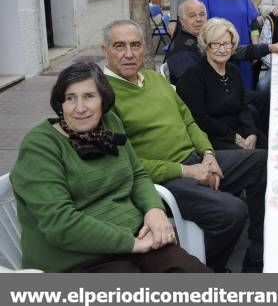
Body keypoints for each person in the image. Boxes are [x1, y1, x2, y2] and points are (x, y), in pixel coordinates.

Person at [102, 20, 267, 272]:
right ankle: (208, 270)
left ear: (144, 48)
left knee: (261, 161)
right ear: (105, 50)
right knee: (233, 212)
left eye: (135, 45)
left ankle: (258, 245)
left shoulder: (155, 79)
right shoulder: (103, 97)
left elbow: (189, 120)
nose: (128, 53)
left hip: (196, 159)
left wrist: (208, 155)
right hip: (164, 180)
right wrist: (188, 171)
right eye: (119, 46)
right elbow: (127, 165)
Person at [10, 62, 207, 273]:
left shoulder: (109, 123)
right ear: (60, 103)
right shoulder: (40, 146)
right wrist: (133, 244)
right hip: (76, 259)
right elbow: (60, 224)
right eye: (70, 98)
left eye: (89, 96)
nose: (80, 108)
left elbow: (137, 173)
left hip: (135, 236)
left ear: (104, 100)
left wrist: (154, 210)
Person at [177, 19, 267, 150]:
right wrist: (234, 137)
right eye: (215, 44)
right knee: (259, 158)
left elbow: (242, 107)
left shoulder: (233, 71)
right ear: (205, 45)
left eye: (226, 44)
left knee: (269, 148)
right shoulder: (193, 76)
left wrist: (251, 133)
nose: (222, 49)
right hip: (211, 138)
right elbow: (200, 119)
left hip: (237, 131)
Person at [166, 0, 278, 85]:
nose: (198, 19)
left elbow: (236, 51)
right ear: (181, 21)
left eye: (202, 14)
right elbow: (192, 85)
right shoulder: (180, 48)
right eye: (192, 15)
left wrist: (270, 48)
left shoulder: (203, 37)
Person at [196, 0, 259, 90]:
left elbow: (253, 22)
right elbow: (201, 28)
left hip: (243, 54)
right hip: (218, 55)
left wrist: (255, 50)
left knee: (245, 93)